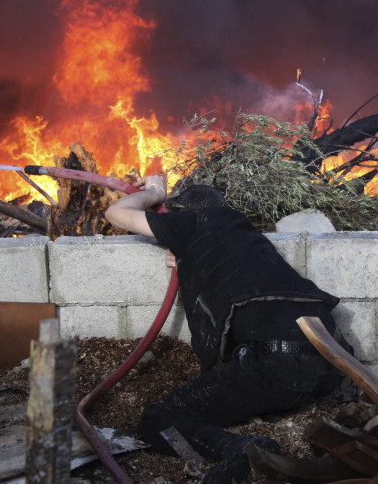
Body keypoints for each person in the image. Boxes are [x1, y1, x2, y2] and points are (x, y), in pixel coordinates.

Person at [105, 175, 350, 483]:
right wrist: (187, 258)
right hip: (331, 361)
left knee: (159, 419)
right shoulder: (247, 237)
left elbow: (115, 212)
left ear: (185, 211)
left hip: (281, 365)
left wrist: (155, 192)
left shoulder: (193, 223)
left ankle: (243, 450)